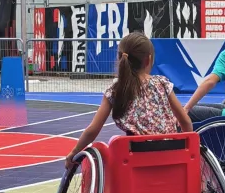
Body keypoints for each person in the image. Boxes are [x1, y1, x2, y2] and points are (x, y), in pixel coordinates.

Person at [65, 32, 193, 167]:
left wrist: (73, 153)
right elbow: (185, 121)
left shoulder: (114, 91)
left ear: (120, 58)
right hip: (170, 155)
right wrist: (187, 147)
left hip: (137, 161)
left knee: (114, 143)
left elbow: (93, 130)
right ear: (148, 60)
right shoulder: (162, 83)